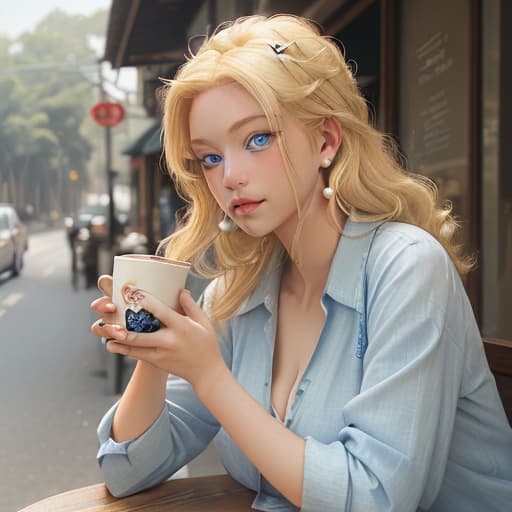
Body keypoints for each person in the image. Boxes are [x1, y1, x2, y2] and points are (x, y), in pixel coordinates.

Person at [90, 14, 512, 512]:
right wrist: (154, 352)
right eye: (209, 158)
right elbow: (125, 470)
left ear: (326, 141)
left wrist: (209, 376)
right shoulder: (236, 293)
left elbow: (376, 499)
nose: (230, 178)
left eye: (257, 139)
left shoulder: (408, 268)